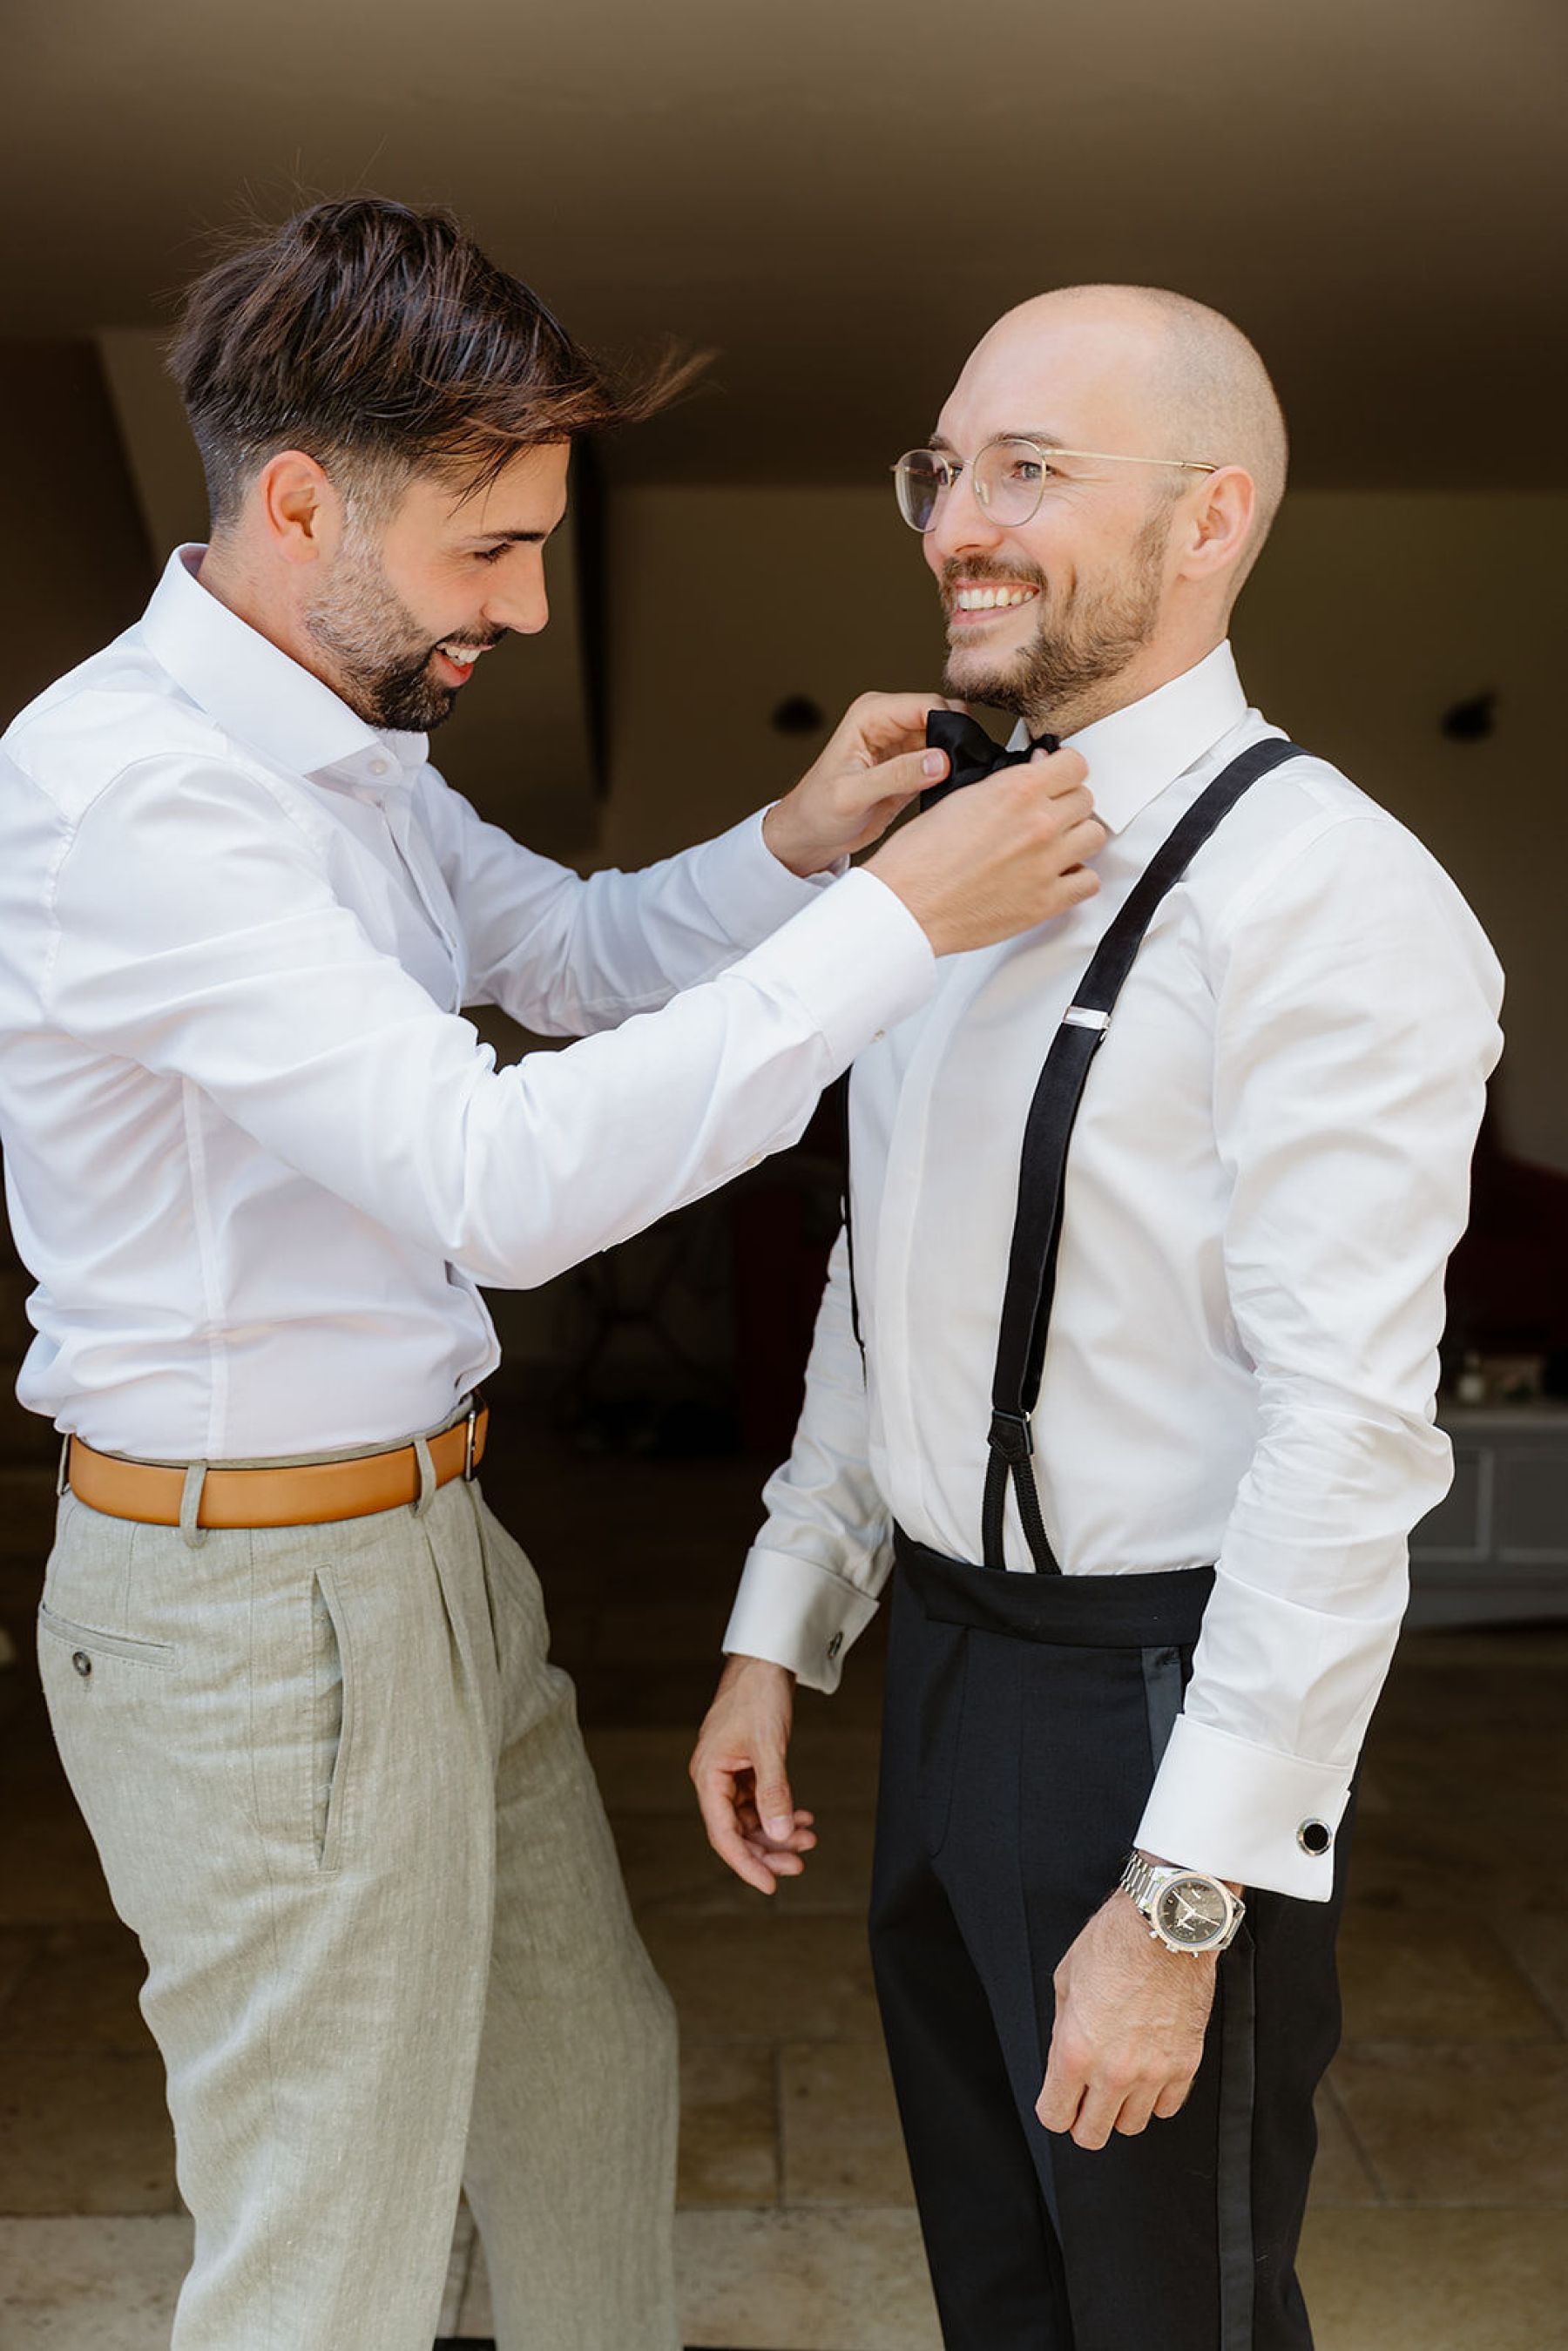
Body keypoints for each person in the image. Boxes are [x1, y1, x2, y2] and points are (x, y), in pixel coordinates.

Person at [0, 200, 1109, 2351]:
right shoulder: (132, 792)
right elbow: (491, 1181)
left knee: (589, 2081)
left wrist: (802, 849)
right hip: (252, 1622)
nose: (518, 603)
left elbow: (570, 961)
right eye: (486, 553)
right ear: (300, 497)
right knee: (330, 2255)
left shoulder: (346, 738)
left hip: (433, 1557)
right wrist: (907, 931)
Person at [692, 284, 1504, 2351]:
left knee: (1175, 2315)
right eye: (946, 468)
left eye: (1030, 471)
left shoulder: (1334, 896)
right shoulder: (942, 853)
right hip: (947, 1682)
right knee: (1002, 2299)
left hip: (1156, 1710)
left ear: (1213, 515)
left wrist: (1182, 1900)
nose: (960, 518)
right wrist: (787, 1616)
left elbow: (1352, 1439)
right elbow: (892, 1273)